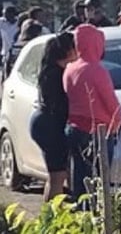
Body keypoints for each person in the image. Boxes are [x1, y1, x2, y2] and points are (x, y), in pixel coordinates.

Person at [63, 24, 121, 200]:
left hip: (74, 127)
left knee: (79, 176)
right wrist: (117, 125)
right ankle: (97, 216)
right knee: (99, 179)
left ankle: (82, 212)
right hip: (97, 131)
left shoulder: (70, 69)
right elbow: (112, 103)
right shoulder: (97, 70)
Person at [30, 32, 78, 201]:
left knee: (54, 176)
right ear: (67, 51)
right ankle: (50, 217)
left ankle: (48, 216)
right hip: (50, 125)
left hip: (43, 122)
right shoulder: (57, 75)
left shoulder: (49, 70)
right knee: (58, 177)